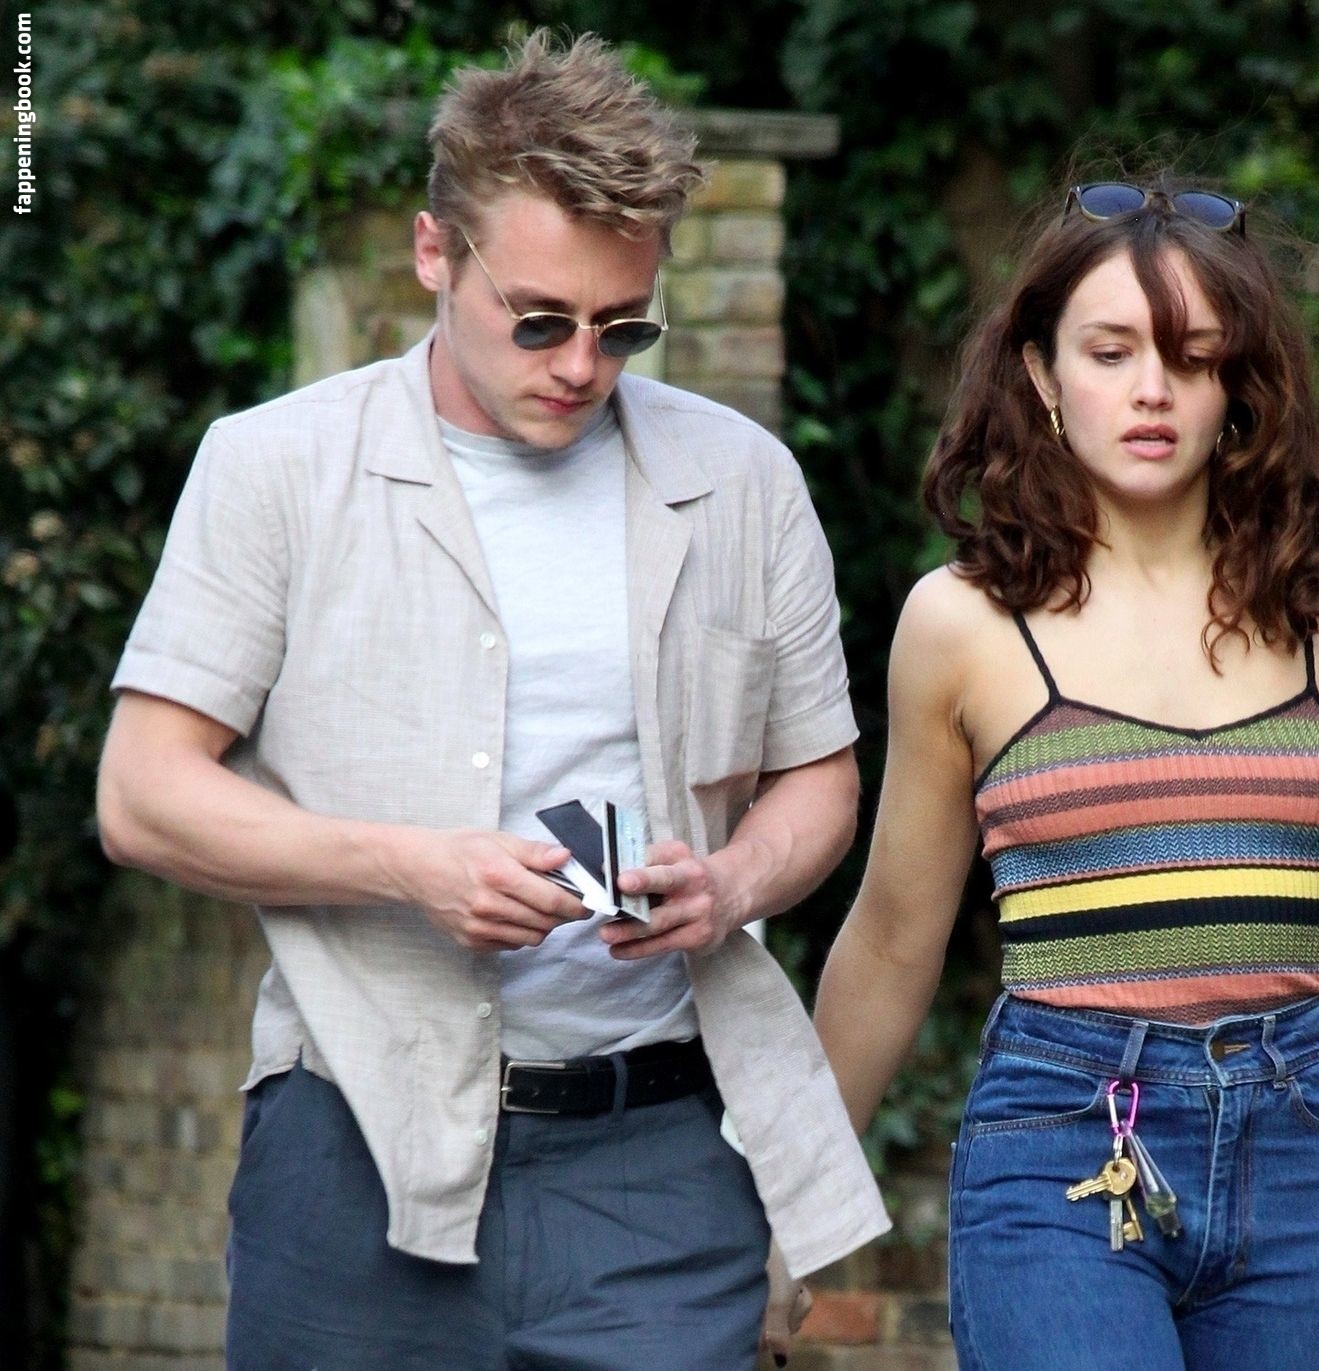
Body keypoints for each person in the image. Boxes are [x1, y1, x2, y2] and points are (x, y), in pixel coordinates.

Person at [95, 30, 884, 1370]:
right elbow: (141, 793)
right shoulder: (277, 466)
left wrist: (734, 881)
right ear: (433, 254)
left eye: (623, 325)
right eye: (539, 319)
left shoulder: (745, 479)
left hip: (659, 1159)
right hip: (354, 1141)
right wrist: (412, 867)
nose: (581, 362)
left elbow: (819, 773)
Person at [812, 180, 1319, 1371]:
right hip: (1063, 1151)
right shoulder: (963, 625)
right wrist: (790, 1215)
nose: (1151, 390)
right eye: (1111, 353)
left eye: (1192, 358)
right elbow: (895, 940)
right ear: (1043, 375)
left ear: (1237, 386)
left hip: (1294, 1161)